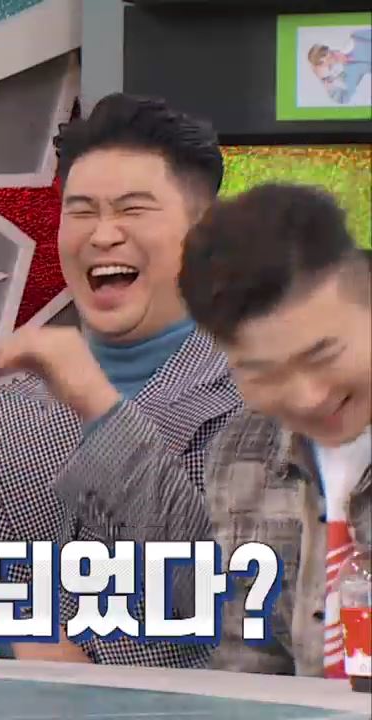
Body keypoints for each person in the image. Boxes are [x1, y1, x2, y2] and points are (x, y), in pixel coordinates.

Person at [0, 93, 242, 667]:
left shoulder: (267, 399)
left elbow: (237, 597)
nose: (103, 236)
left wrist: (100, 408)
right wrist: (25, 640)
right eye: (80, 211)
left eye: (132, 210)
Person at [114, 183, 370, 677]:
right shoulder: (241, 453)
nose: (307, 396)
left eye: (324, 354)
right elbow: (250, 664)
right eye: (264, 372)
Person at [308, 29, 371, 105]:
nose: (328, 58)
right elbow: (346, 98)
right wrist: (326, 83)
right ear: (324, 65)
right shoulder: (348, 75)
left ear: (328, 48)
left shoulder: (356, 37)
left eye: (326, 53)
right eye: (324, 61)